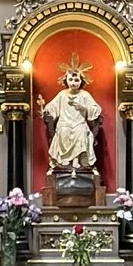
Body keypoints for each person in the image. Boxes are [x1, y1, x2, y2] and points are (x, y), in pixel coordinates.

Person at [40, 53, 104, 200]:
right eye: (71, 79)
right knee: (62, 131)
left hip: (80, 123)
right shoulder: (62, 94)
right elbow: (52, 107)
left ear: (81, 81)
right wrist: (46, 111)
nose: (73, 82)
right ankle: (66, 162)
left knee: (82, 132)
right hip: (64, 123)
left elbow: (95, 110)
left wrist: (83, 108)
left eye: (76, 79)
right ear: (66, 80)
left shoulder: (85, 95)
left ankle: (77, 161)